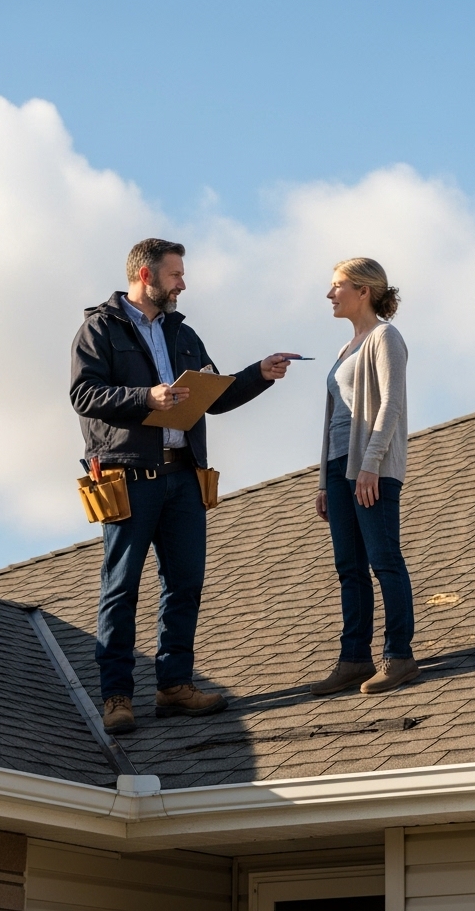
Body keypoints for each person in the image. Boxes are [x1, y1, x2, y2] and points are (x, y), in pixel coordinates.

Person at [70, 238, 297, 735]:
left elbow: (214, 395)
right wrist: (144, 396)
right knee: (121, 589)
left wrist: (258, 374)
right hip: (128, 477)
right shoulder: (99, 329)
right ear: (146, 276)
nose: (183, 283)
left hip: (184, 476)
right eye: (176, 275)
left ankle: (174, 687)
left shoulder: (184, 332)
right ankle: (117, 697)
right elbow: (84, 394)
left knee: (185, 585)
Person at [310, 257, 419, 696]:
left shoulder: (384, 337)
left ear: (364, 291)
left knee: (384, 561)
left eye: (337, 285)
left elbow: (391, 403)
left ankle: (399, 656)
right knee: (348, 568)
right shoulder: (344, 350)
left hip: (370, 469)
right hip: (339, 470)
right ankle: (354, 658)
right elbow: (332, 419)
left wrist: (371, 463)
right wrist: (323, 480)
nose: (330, 293)